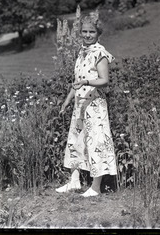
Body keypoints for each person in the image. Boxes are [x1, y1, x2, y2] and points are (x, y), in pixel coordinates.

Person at [56, 12, 117, 197]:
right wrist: (67, 101)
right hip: (79, 105)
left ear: (98, 33)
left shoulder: (100, 53)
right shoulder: (82, 52)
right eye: (84, 31)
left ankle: (96, 187)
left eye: (92, 31)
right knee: (76, 141)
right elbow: (77, 81)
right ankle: (74, 182)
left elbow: (104, 80)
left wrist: (87, 83)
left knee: (96, 142)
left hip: (95, 105)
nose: (88, 35)